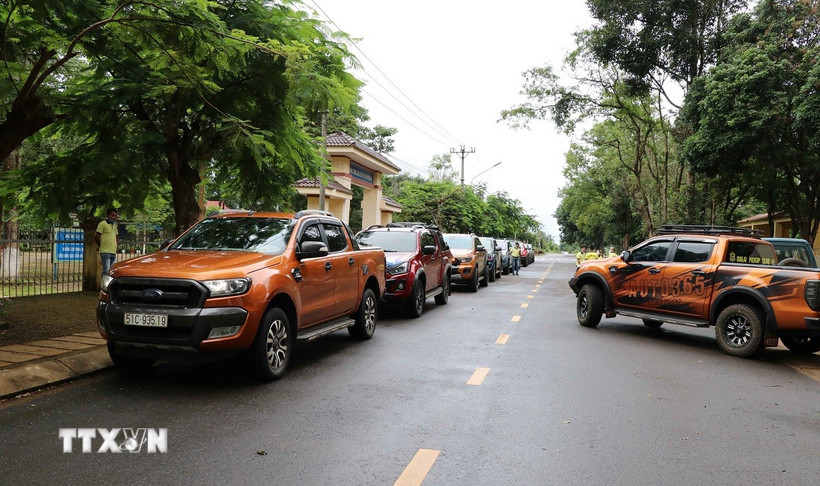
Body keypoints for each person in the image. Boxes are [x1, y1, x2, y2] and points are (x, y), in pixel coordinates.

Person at [95, 208, 119, 275]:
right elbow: (96, 236)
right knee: (106, 271)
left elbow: (117, 236)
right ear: (108, 215)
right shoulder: (102, 224)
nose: (114, 217)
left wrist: (116, 246)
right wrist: (100, 245)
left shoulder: (114, 225)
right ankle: (104, 285)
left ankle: (109, 285)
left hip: (113, 251)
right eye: (112, 215)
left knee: (111, 272)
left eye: (115, 216)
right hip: (105, 251)